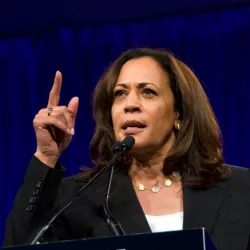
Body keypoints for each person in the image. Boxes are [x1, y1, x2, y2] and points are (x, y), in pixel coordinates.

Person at [3, 48, 250, 250]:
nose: (130, 104)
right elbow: (20, 246)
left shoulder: (240, 188)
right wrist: (46, 156)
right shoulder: (78, 198)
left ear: (180, 113)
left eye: (148, 92)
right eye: (120, 94)